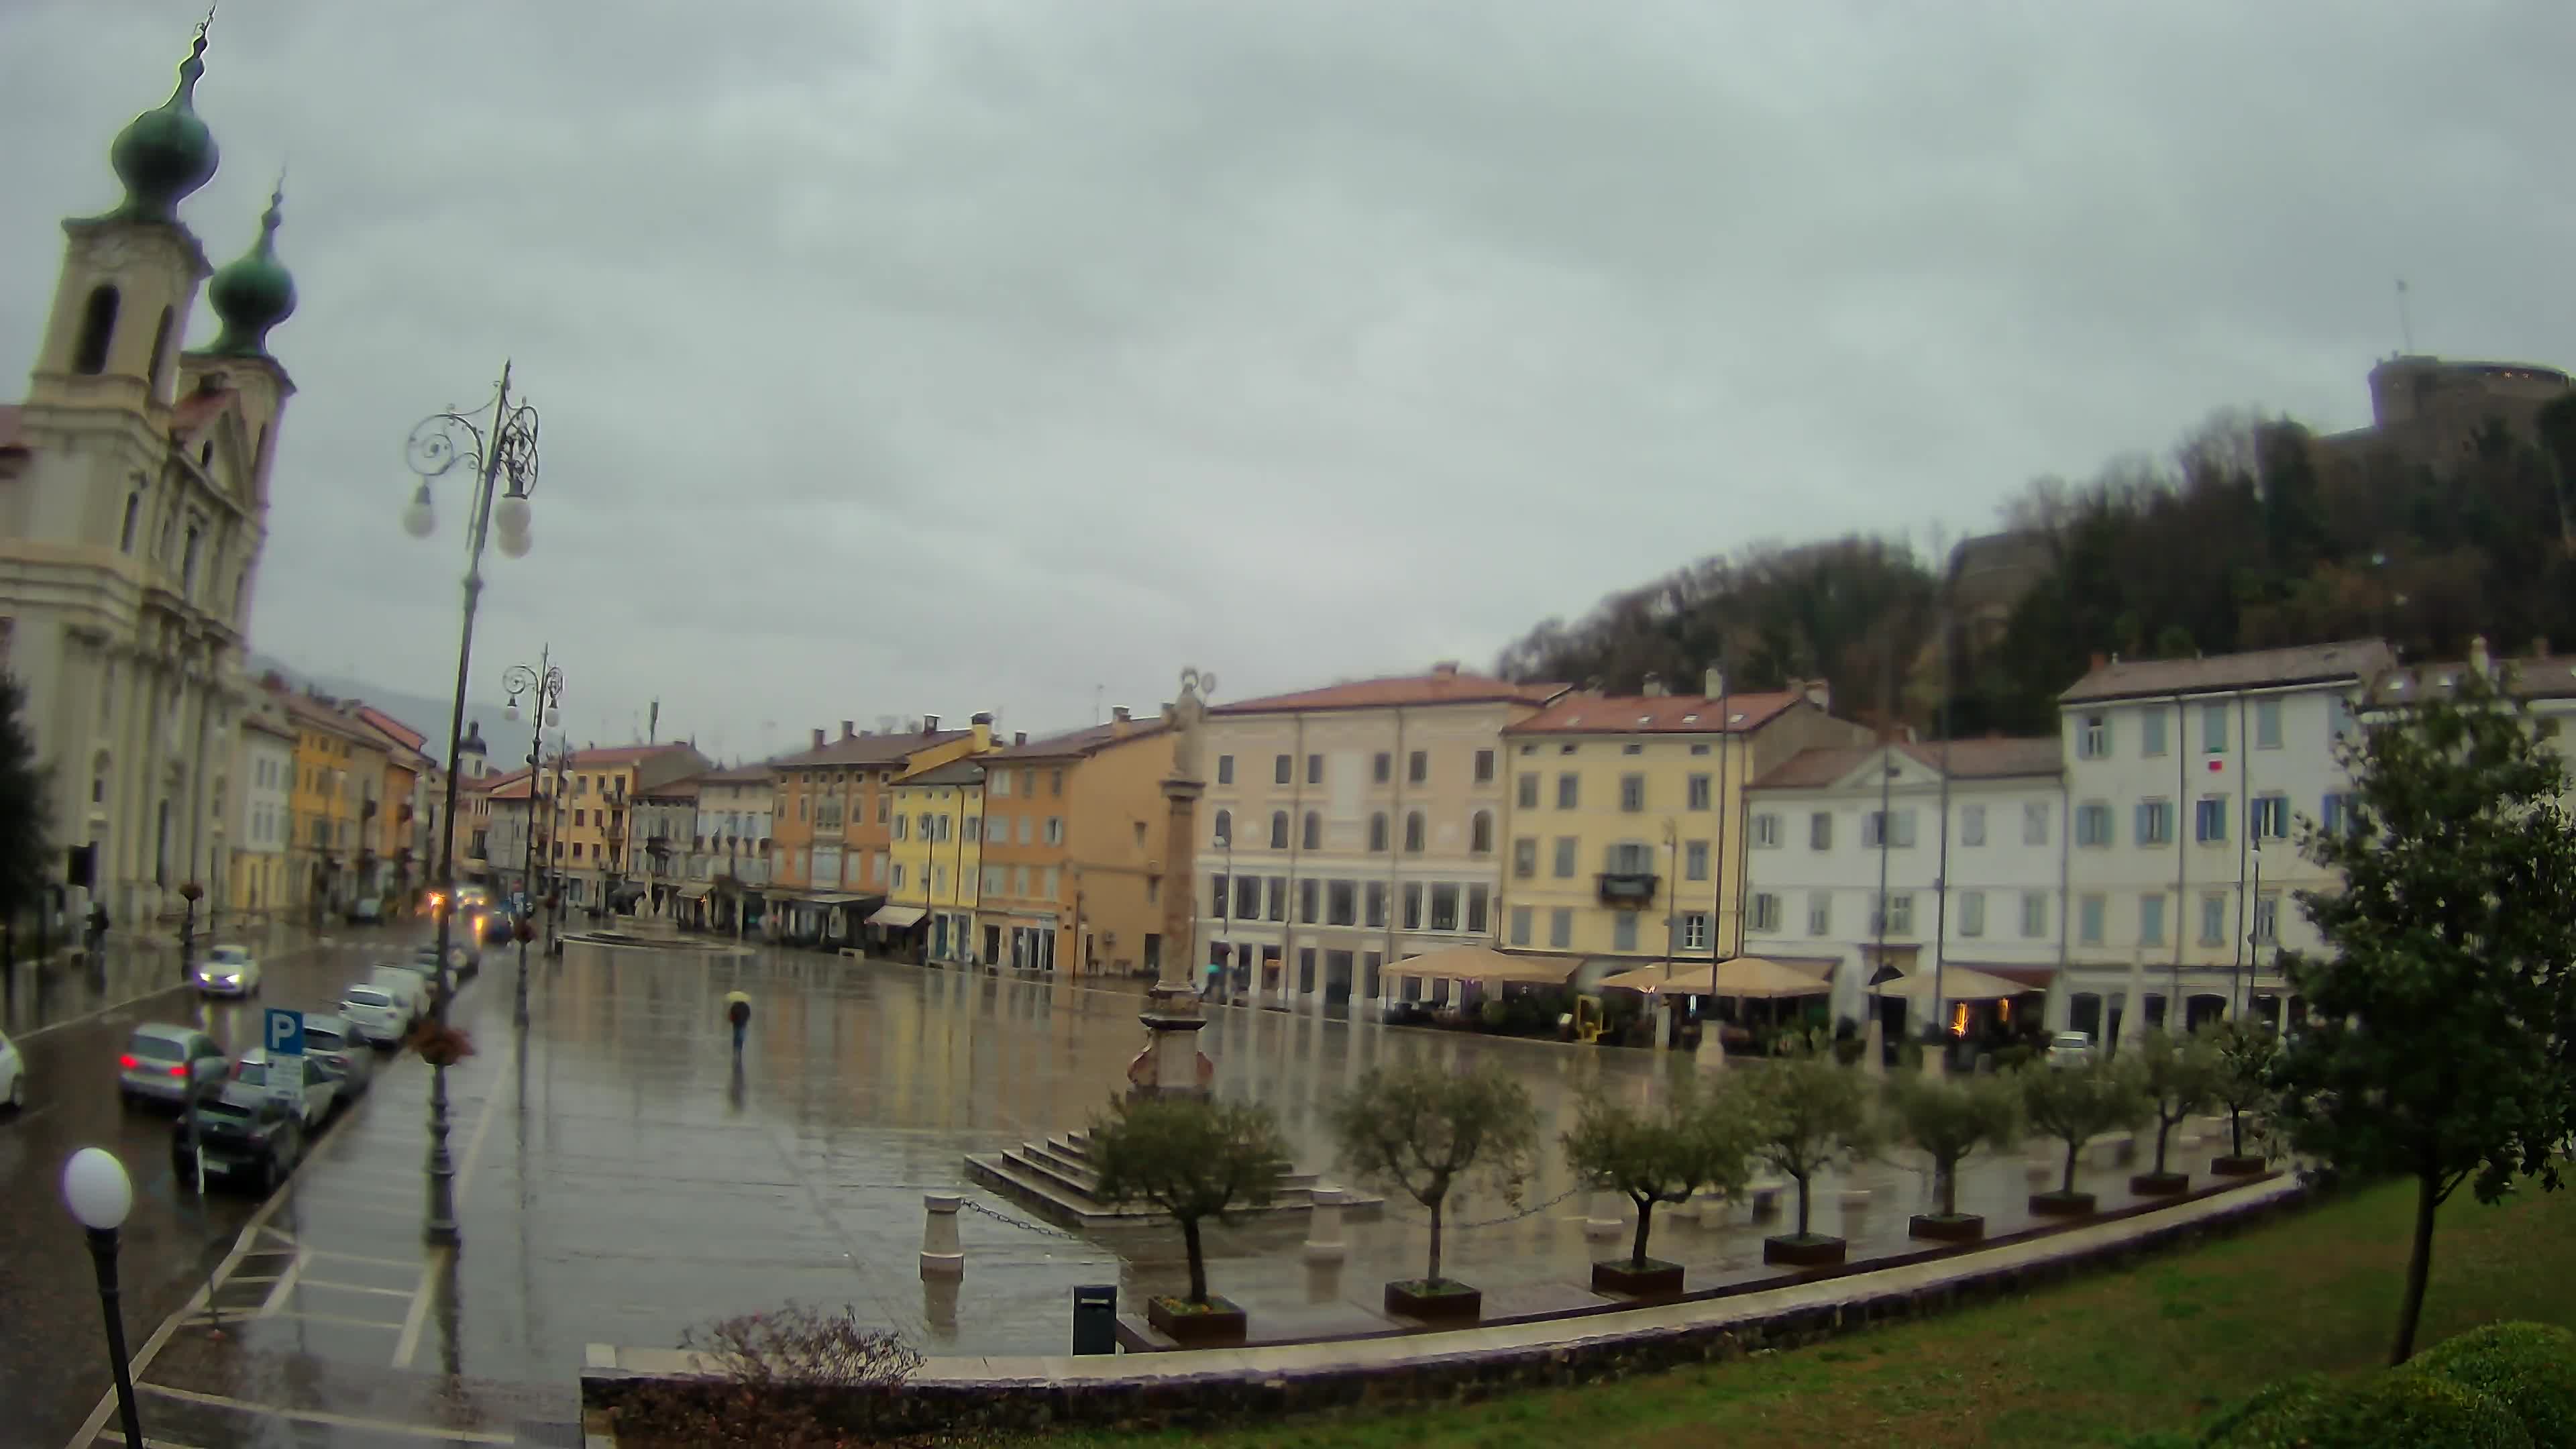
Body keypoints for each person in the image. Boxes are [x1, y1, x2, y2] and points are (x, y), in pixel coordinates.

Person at [724, 989, 751, 1061]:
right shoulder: (745, 1006)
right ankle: (738, 1048)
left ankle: (737, 1048)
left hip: (737, 1024)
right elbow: (748, 1015)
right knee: (740, 1036)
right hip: (741, 1024)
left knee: (737, 1036)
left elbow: (731, 1014)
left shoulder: (735, 1006)